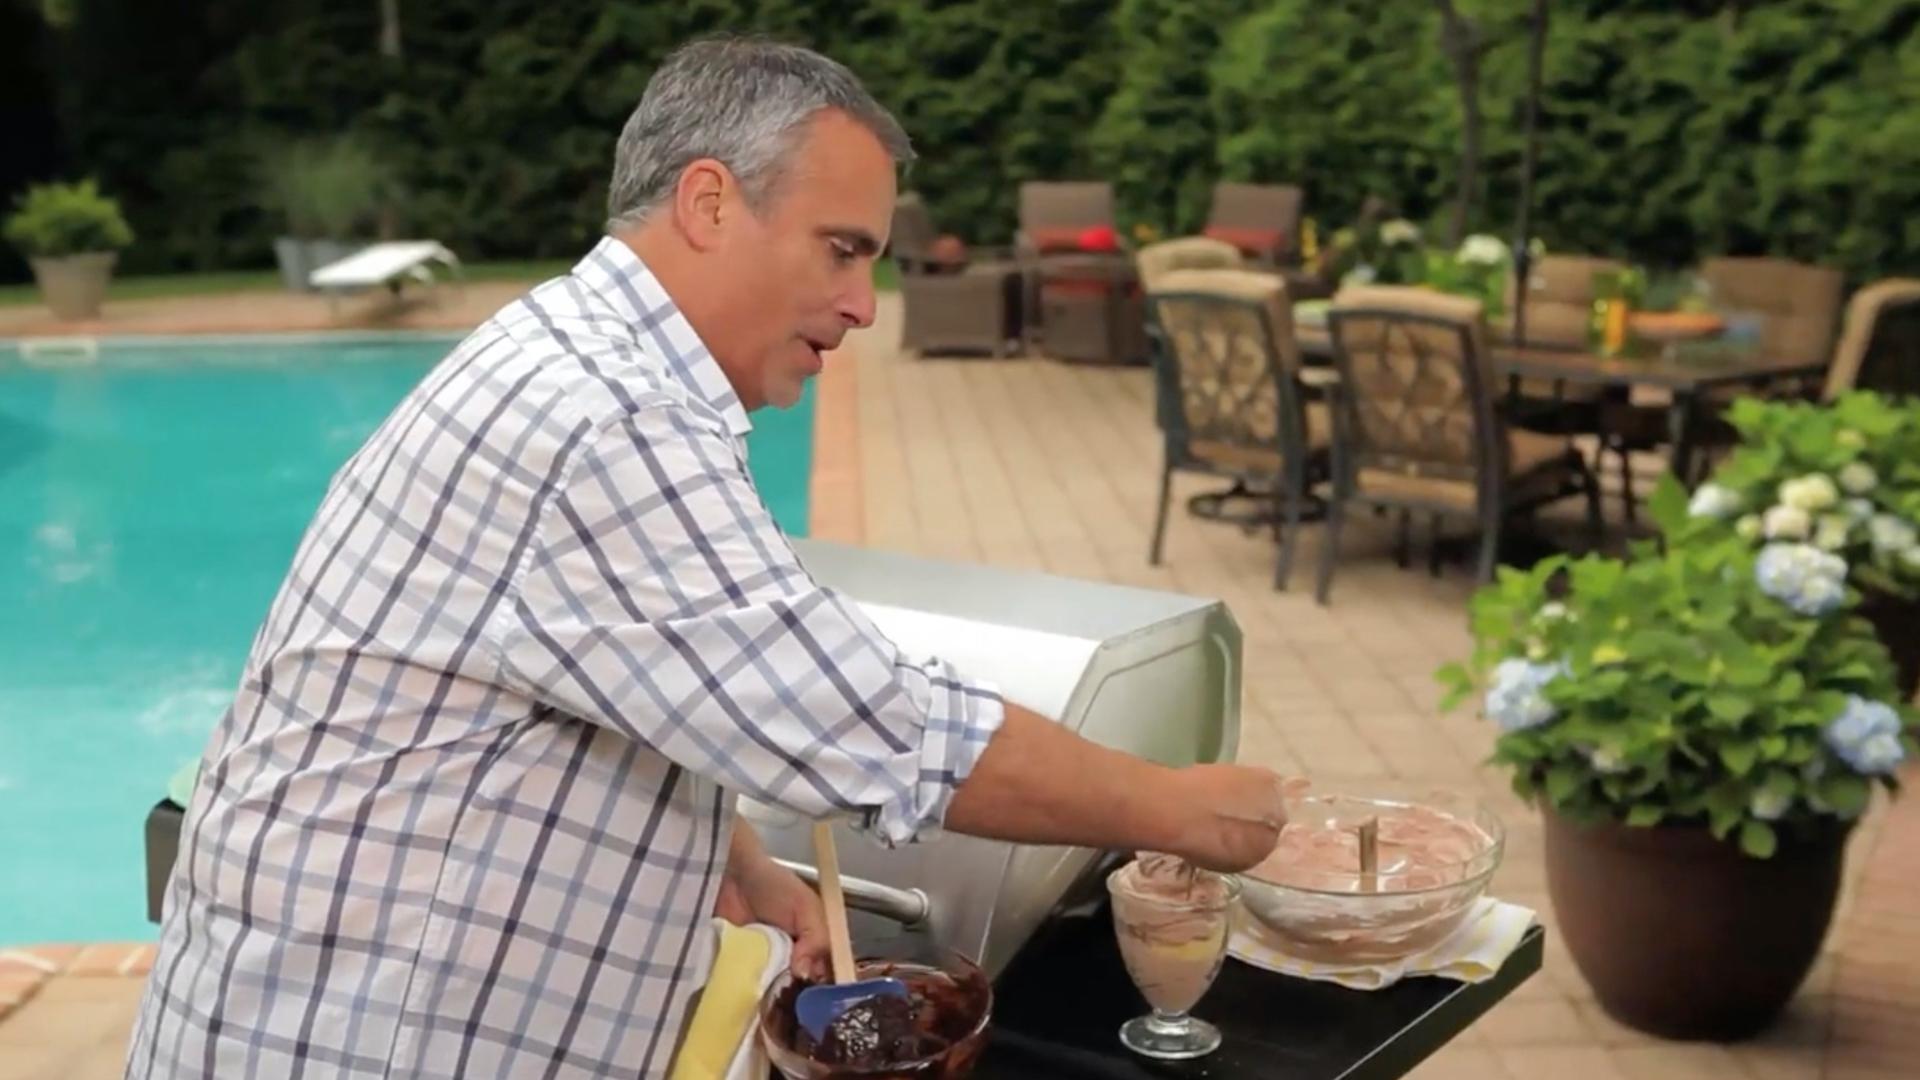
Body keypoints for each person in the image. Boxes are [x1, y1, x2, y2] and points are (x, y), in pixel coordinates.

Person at [126, 35, 1293, 1079]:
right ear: (709, 203)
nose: (864, 304)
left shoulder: (577, 358)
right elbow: (876, 728)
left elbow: (602, 678)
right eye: (841, 251)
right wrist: (1182, 807)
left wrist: (737, 860)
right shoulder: (606, 416)